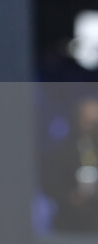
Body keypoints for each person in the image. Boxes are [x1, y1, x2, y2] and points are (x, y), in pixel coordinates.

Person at [43, 97, 98, 233]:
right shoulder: (63, 151)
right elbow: (50, 183)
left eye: (95, 122)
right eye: (88, 122)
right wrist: (70, 198)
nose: (93, 126)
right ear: (78, 120)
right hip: (72, 226)